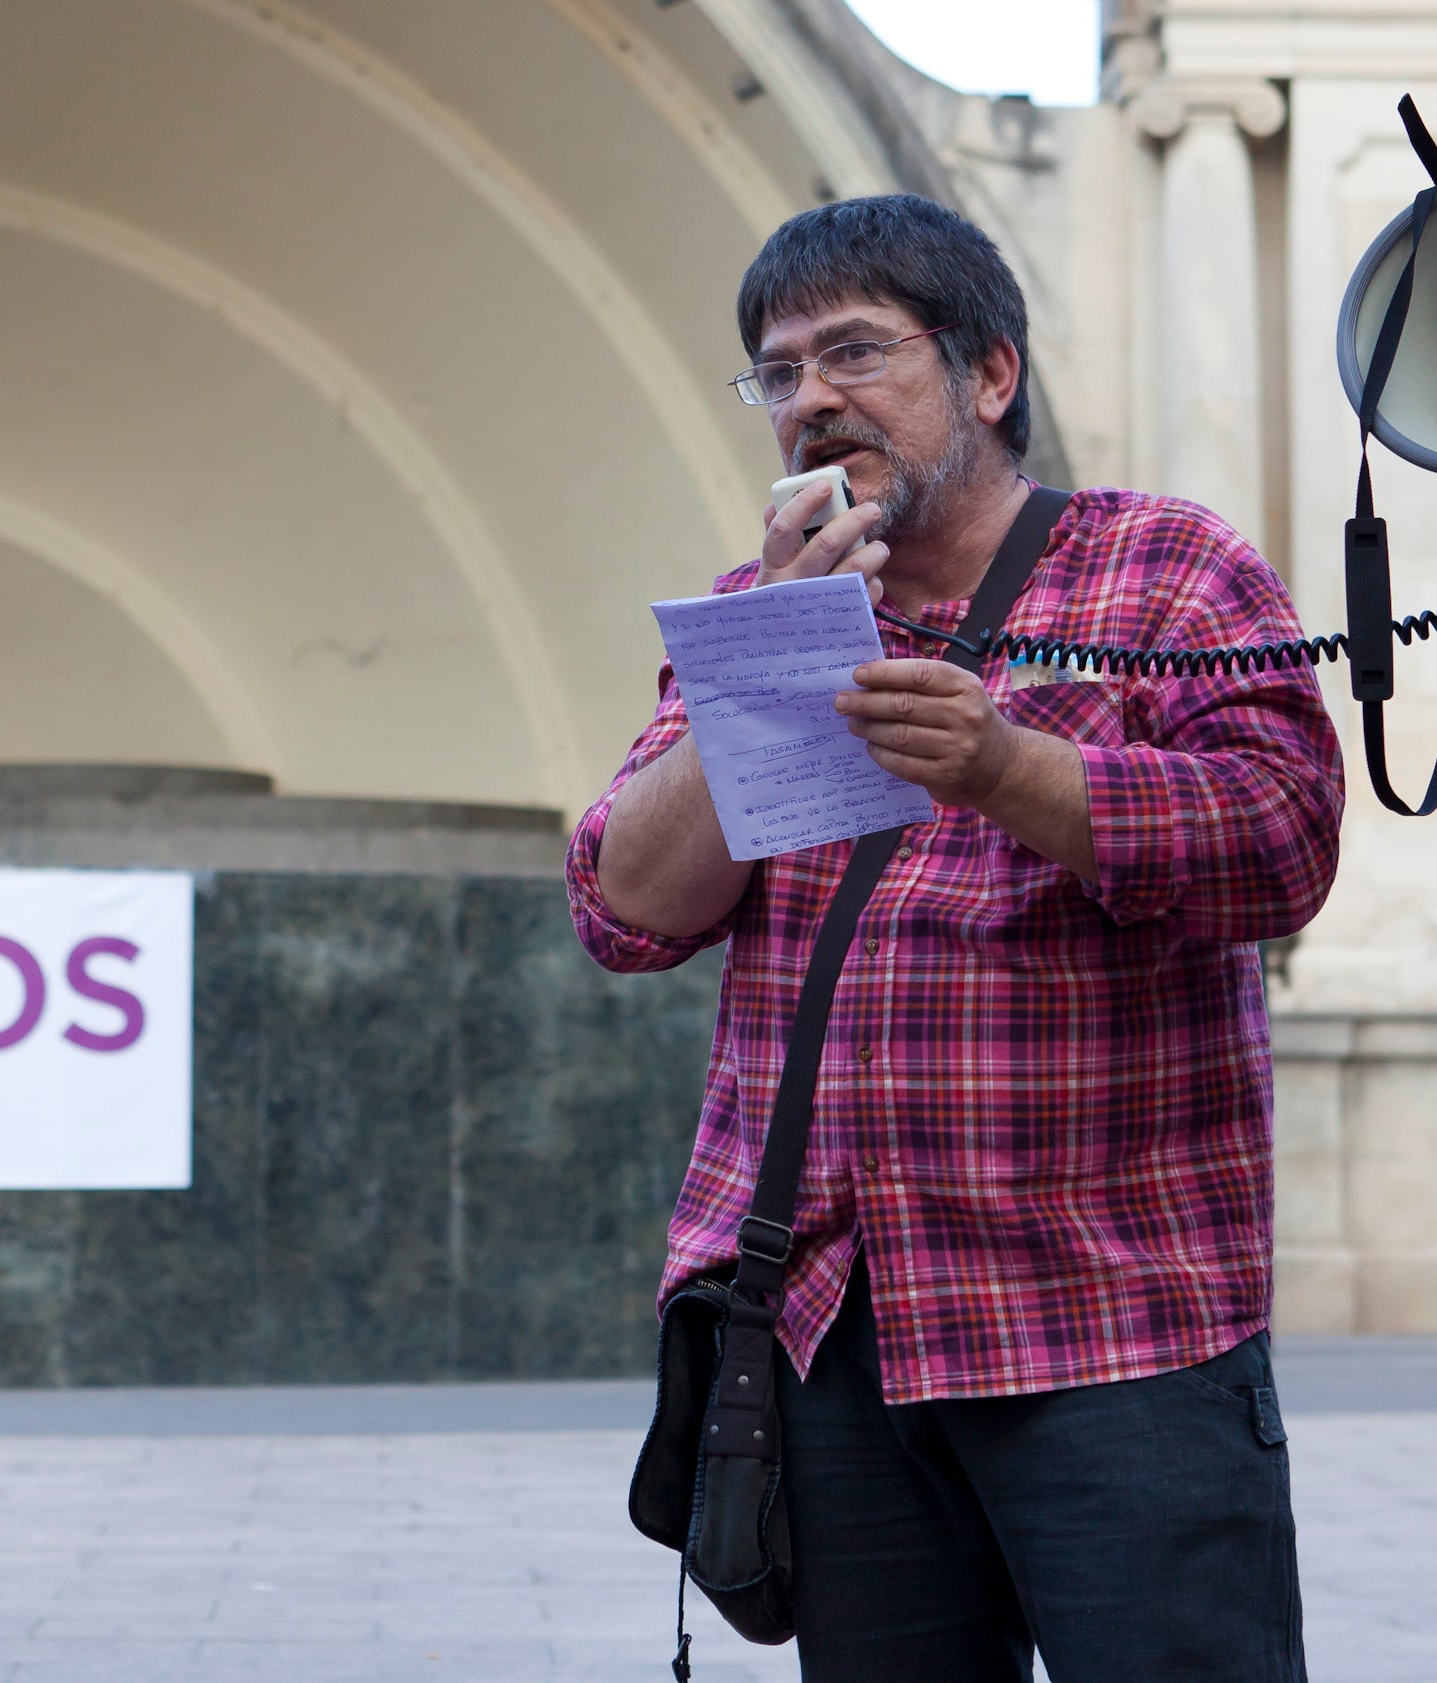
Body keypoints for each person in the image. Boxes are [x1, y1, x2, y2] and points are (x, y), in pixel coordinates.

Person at [566, 194, 1342, 1682]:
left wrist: (1007, 768)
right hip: (827, 1322)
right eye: (776, 371)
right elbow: (623, 905)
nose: (810, 397)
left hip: (1108, 1318)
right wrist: (771, 660)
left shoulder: (1162, 569)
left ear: (987, 373)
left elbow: (1283, 839)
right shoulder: (759, 609)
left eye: (853, 350)